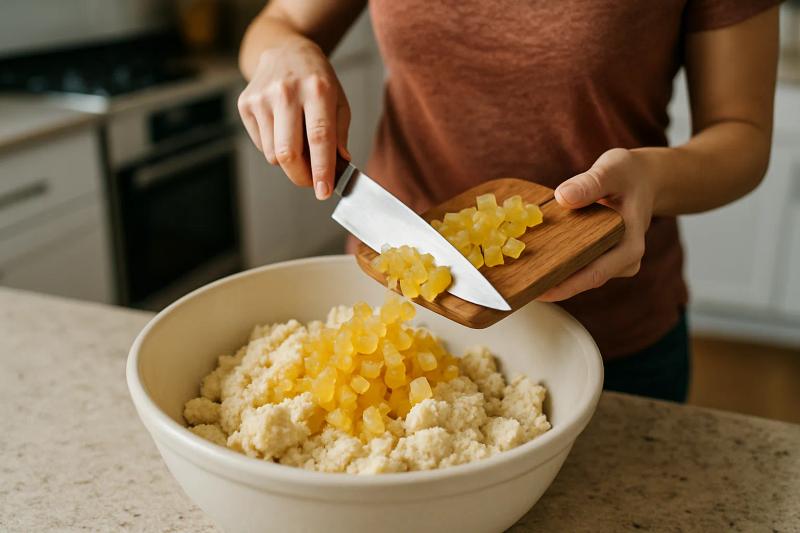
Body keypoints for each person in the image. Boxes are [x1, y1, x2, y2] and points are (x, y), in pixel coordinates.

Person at [236, 1, 780, 402]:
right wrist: (285, 51)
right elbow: (277, 22)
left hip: (614, 336)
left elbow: (742, 136)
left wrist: (653, 179)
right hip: (402, 326)